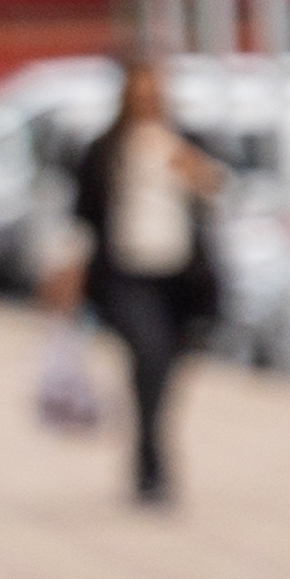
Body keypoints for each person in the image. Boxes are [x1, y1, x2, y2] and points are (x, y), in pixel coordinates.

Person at [45, 77, 228, 510]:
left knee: (165, 369)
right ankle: (151, 466)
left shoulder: (185, 141)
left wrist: (192, 170)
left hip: (182, 277)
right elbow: (81, 216)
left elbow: (220, 192)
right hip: (126, 274)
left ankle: (151, 450)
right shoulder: (106, 148)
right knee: (148, 353)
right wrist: (65, 271)